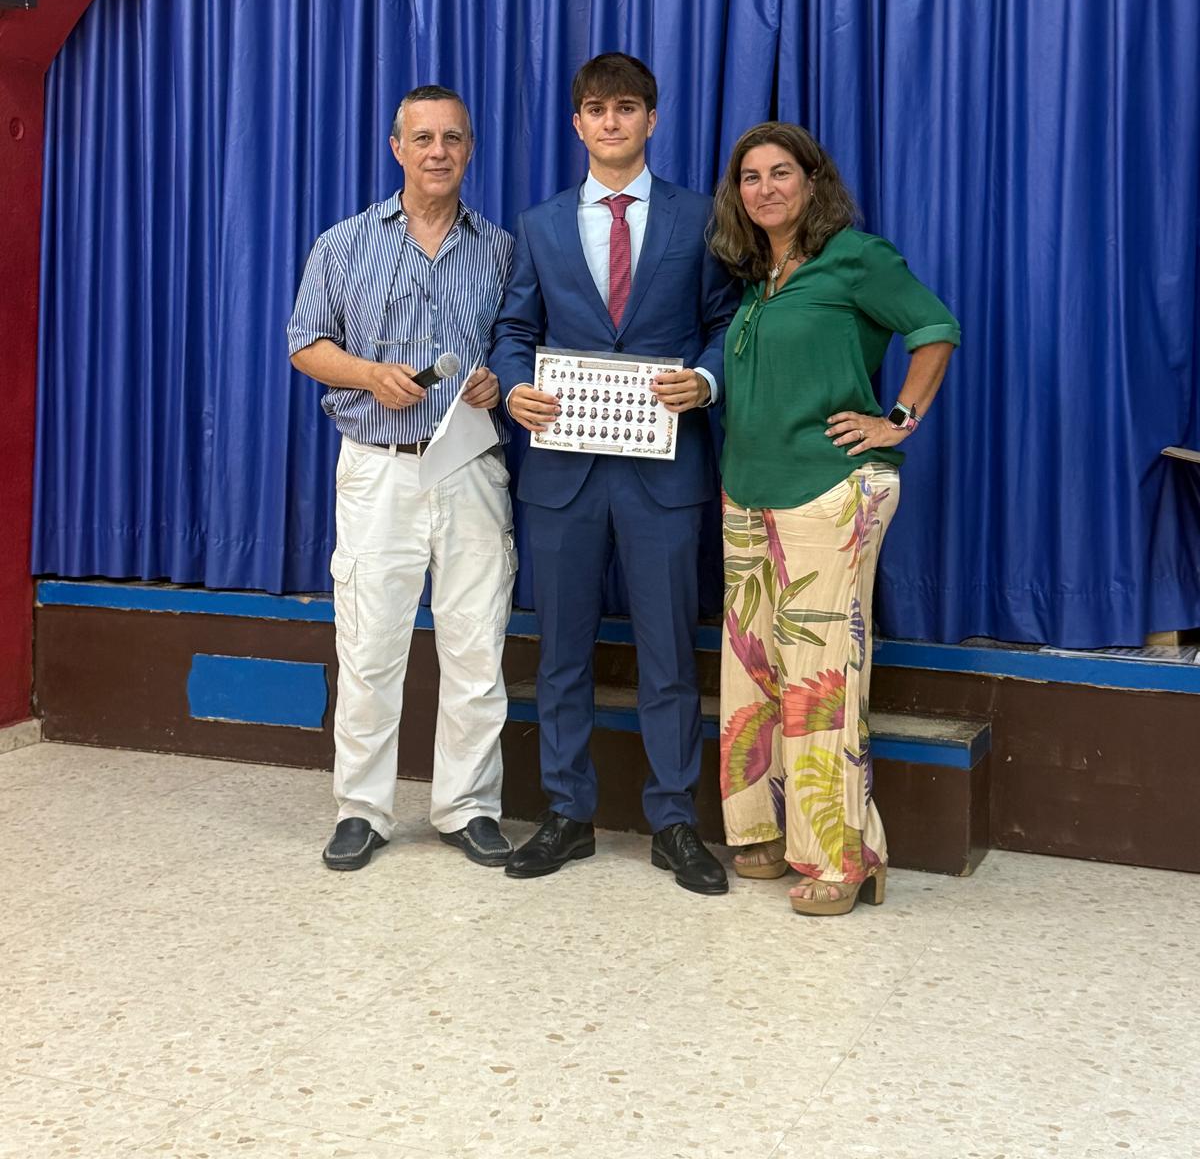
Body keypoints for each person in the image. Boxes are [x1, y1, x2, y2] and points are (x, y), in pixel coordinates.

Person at [491, 52, 740, 895]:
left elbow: (726, 322)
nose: (611, 121)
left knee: (668, 653)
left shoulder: (699, 217)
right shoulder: (540, 224)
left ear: (650, 119)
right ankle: (568, 813)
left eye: (626, 108)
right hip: (562, 472)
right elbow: (514, 328)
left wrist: (705, 380)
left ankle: (674, 822)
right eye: (596, 110)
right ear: (577, 124)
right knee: (561, 652)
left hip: (664, 473)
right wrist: (515, 385)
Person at [709, 122, 959, 916]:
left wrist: (897, 420)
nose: (765, 188)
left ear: (813, 181)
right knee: (751, 668)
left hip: (831, 491)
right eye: (750, 177)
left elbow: (935, 329)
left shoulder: (856, 257)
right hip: (748, 491)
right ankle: (762, 830)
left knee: (822, 678)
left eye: (781, 172)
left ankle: (846, 858)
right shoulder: (759, 276)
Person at [288, 86, 517, 873]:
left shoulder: (500, 251)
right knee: (370, 644)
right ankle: (361, 810)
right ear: (397, 148)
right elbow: (305, 342)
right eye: (423, 138)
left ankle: (468, 807)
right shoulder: (343, 243)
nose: (438, 152)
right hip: (378, 468)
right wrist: (366, 374)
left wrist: (499, 379)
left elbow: (519, 346)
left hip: (471, 467)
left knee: (476, 645)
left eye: (453, 137)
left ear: (470, 148)